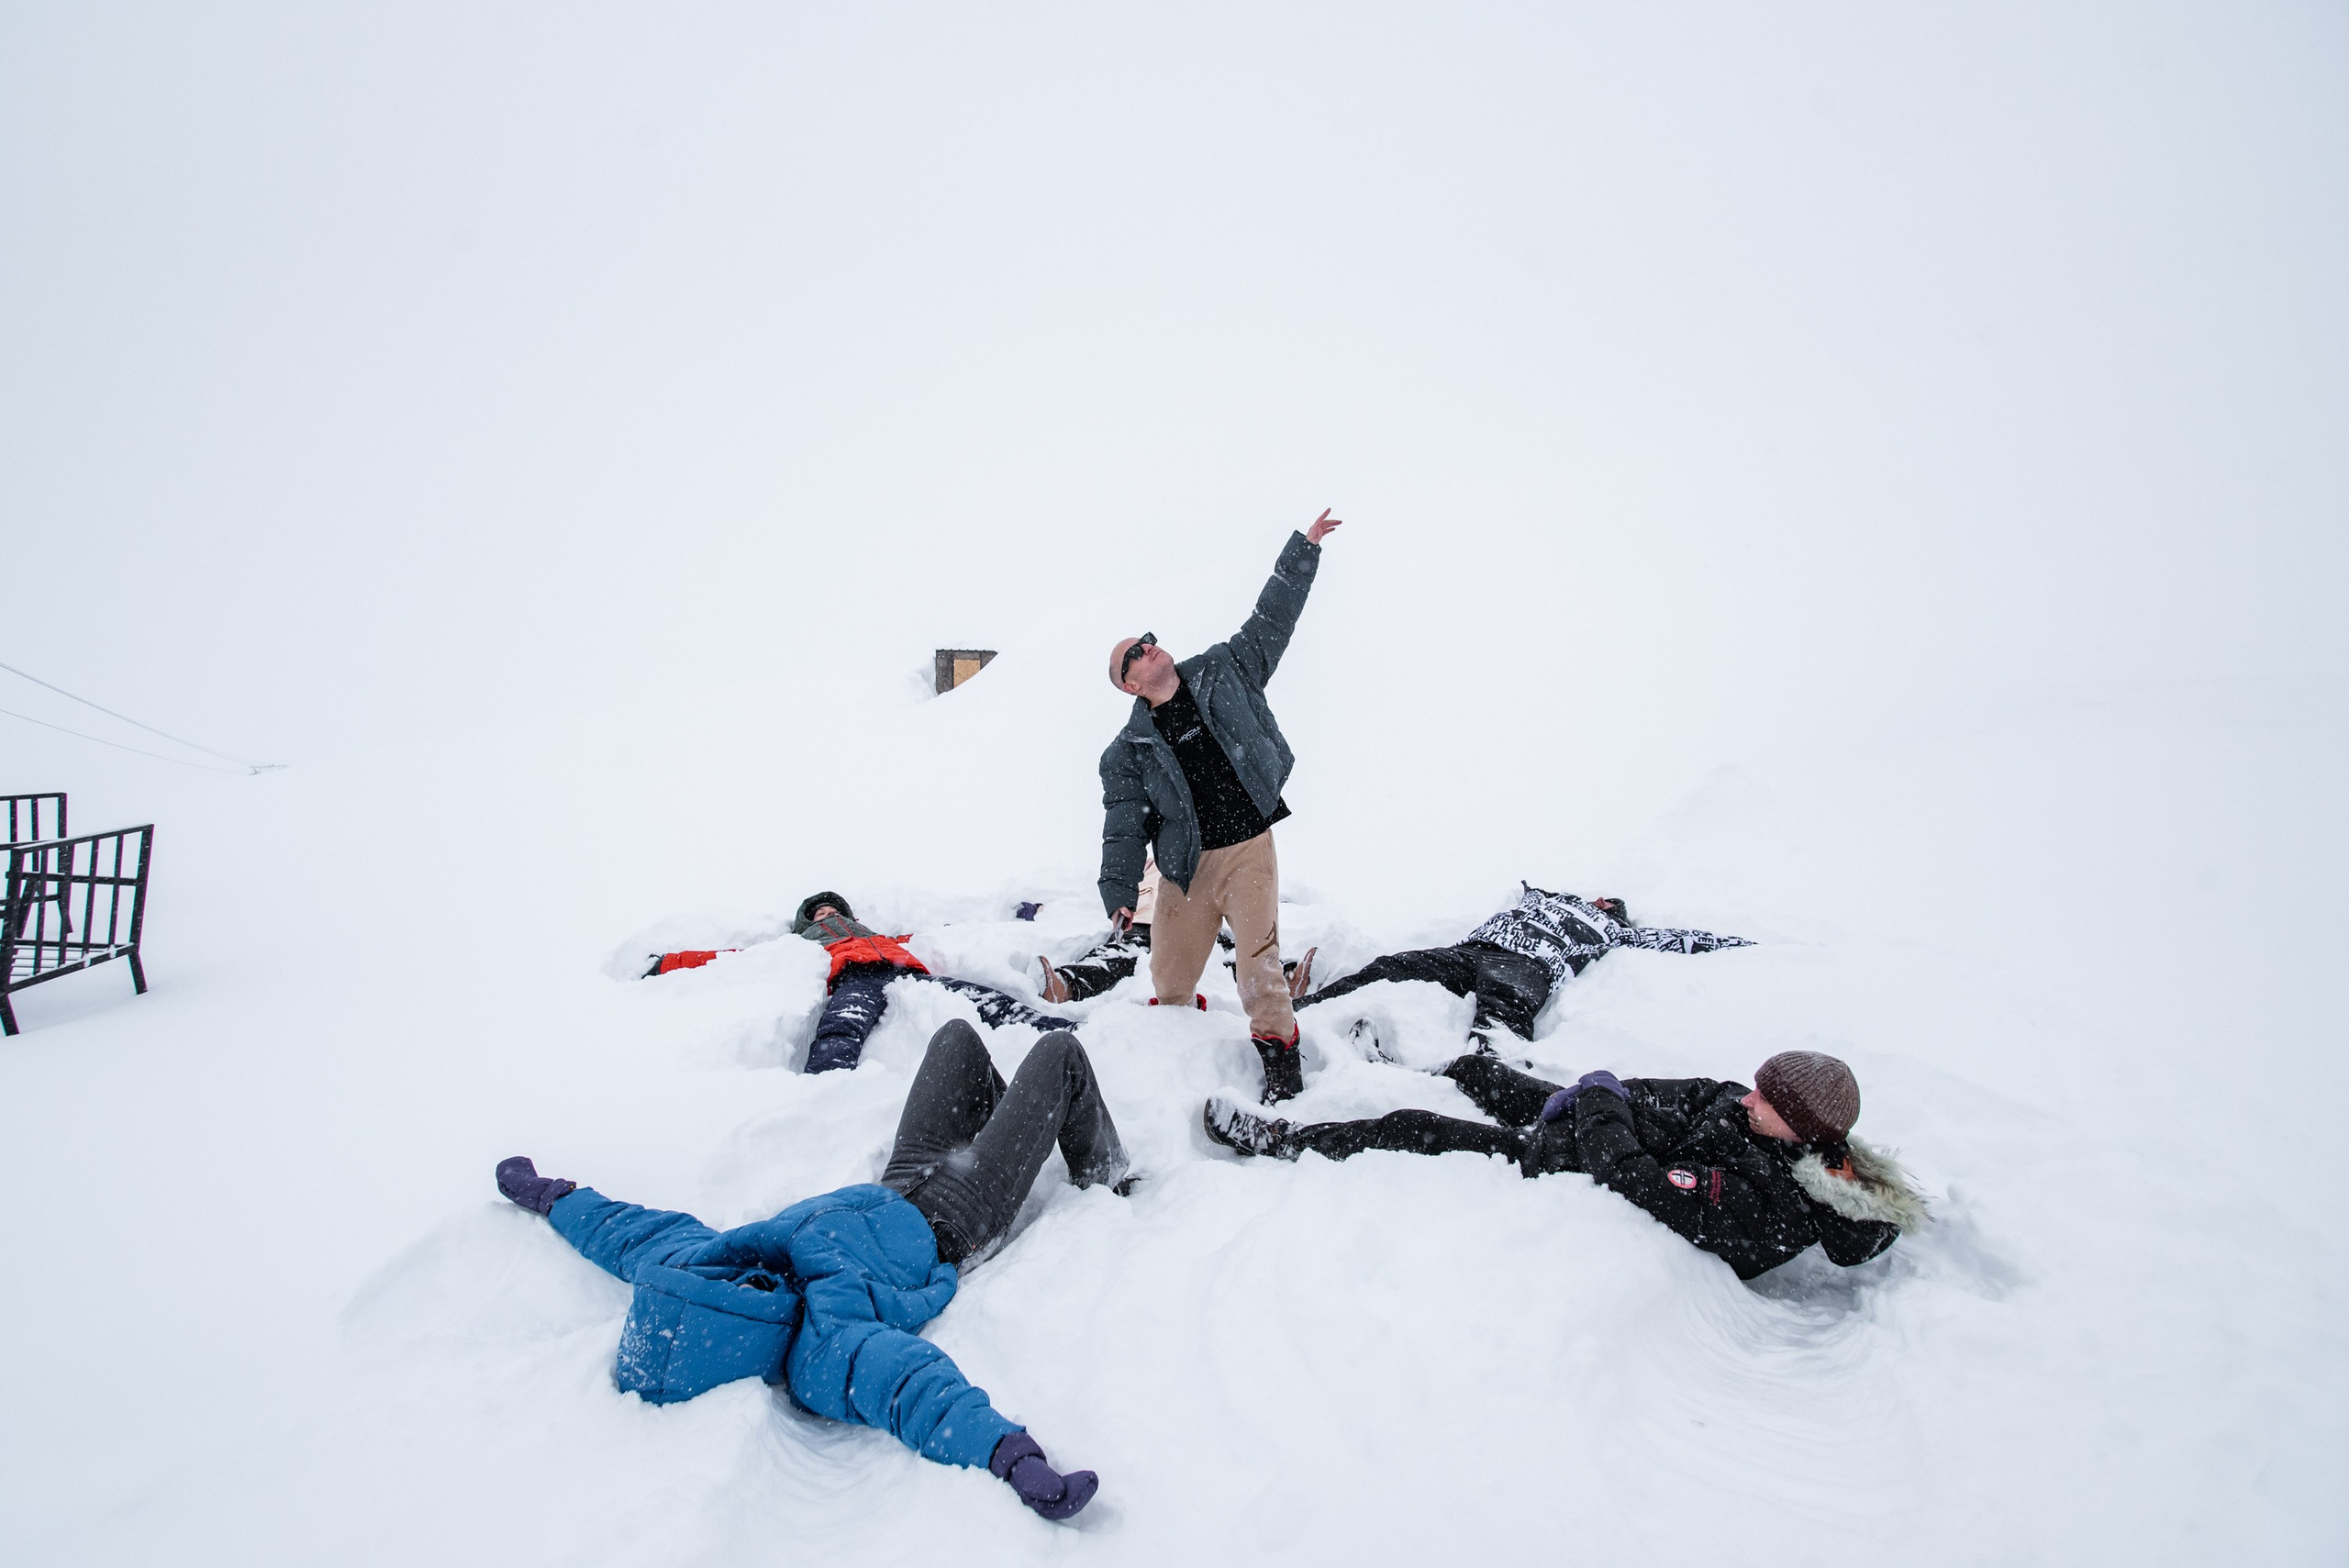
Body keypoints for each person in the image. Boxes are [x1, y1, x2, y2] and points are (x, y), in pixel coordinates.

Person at [495, 1018, 1130, 1520]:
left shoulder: (713, 1266)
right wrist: (1012, 1456)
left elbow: (628, 1235)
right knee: (1058, 1053)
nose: (741, 1276)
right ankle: (1111, 1176)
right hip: (956, 1218)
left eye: (721, 1280)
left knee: (955, 1039)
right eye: (739, 1291)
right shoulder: (822, 1344)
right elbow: (914, 1389)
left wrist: (551, 1194)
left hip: (901, 1176)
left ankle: (1011, 1120)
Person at [1201, 1048, 1924, 1281]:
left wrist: (1599, 1108)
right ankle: (1407, 1059)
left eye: (1767, 1098)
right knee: (1485, 1071)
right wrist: (1602, 1095)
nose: (1749, 1096)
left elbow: (1634, 1181)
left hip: (1572, 1175)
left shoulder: (1762, 1205)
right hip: (1600, 1132)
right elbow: (1686, 1096)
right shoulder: (1750, 1112)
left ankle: (1286, 1139)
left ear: (1796, 1130)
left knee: (1413, 1128)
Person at [1101, 508, 1342, 1103]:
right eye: (1136, 653)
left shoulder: (1224, 669)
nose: (1150, 650)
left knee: (1259, 966)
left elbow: (1271, 621)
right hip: (1187, 867)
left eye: (1150, 641)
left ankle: (1281, 1066)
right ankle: (1178, 1054)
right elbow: (1124, 827)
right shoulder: (1128, 750)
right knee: (1170, 976)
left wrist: (1303, 551)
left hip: (1248, 852)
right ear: (1129, 682)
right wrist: (1119, 892)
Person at [1297, 884, 1752, 1053]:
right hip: (1473, 949)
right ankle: (1311, 1007)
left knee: (1500, 1017)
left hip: (1529, 964)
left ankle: (1486, 1081)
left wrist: (1742, 946)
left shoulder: (1617, 932)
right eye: (1600, 897)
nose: (1600, 901)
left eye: (1610, 904)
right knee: (1394, 965)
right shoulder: (1547, 898)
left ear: (1617, 914)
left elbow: (1675, 940)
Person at [1034, 854, 1317, 1006]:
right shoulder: (1148, 864)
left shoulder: (1205, 859)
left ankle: (1280, 983)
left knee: (1230, 953)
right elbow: (1102, 892)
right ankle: (1066, 986)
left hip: (1201, 919)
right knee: (1118, 954)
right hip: (1143, 923)